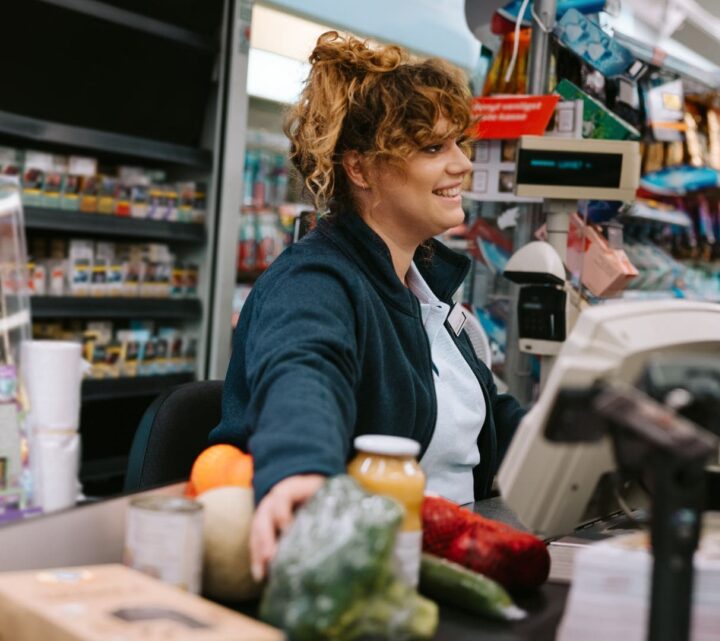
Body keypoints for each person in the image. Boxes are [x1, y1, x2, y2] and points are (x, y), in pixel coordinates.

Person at [208, 31, 526, 581]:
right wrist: (301, 471)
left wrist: (583, 436)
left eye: (459, 144)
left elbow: (490, 419)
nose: (463, 165)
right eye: (433, 148)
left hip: (448, 557)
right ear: (359, 169)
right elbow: (303, 371)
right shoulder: (315, 281)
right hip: (357, 570)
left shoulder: (429, 294)